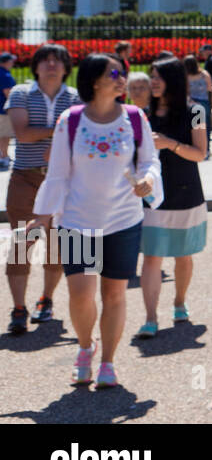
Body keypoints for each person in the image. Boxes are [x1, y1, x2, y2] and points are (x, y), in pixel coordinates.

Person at [27, 53, 161, 388]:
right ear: (93, 80)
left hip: (123, 220)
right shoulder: (70, 121)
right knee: (81, 294)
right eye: (113, 73)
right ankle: (85, 348)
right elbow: (56, 175)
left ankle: (108, 363)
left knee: (115, 295)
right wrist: (40, 218)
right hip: (76, 221)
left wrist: (148, 180)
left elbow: (149, 160)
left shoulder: (135, 117)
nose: (121, 79)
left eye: (123, 73)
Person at [5, 44, 79, 334]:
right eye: (45, 60)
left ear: (66, 68)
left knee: (58, 246)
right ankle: (18, 307)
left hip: (63, 181)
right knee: (22, 243)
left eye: (57, 60)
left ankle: (46, 300)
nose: (51, 64)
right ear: (35, 66)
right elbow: (22, 133)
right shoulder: (21, 93)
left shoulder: (75, 97)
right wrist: (63, 129)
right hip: (27, 178)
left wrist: (54, 133)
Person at [137, 57, 208, 338]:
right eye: (151, 76)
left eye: (158, 76)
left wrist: (169, 144)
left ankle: (179, 302)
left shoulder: (196, 111)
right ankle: (151, 317)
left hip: (186, 192)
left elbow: (200, 153)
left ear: (174, 80)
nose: (152, 81)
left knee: (183, 254)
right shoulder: (142, 114)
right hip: (152, 196)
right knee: (152, 257)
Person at [183, 55, 212, 144]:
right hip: (204, 102)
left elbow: (186, 91)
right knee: (206, 126)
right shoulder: (204, 74)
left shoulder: (186, 76)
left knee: (195, 127)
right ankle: (206, 147)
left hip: (192, 103)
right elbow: (210, 88)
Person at [0, 51, 17, 170]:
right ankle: (4, 157)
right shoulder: (4, 75)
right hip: (3, 110)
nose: (13, 63)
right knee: (5, 135)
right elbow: (8, 93)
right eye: (11, 60)